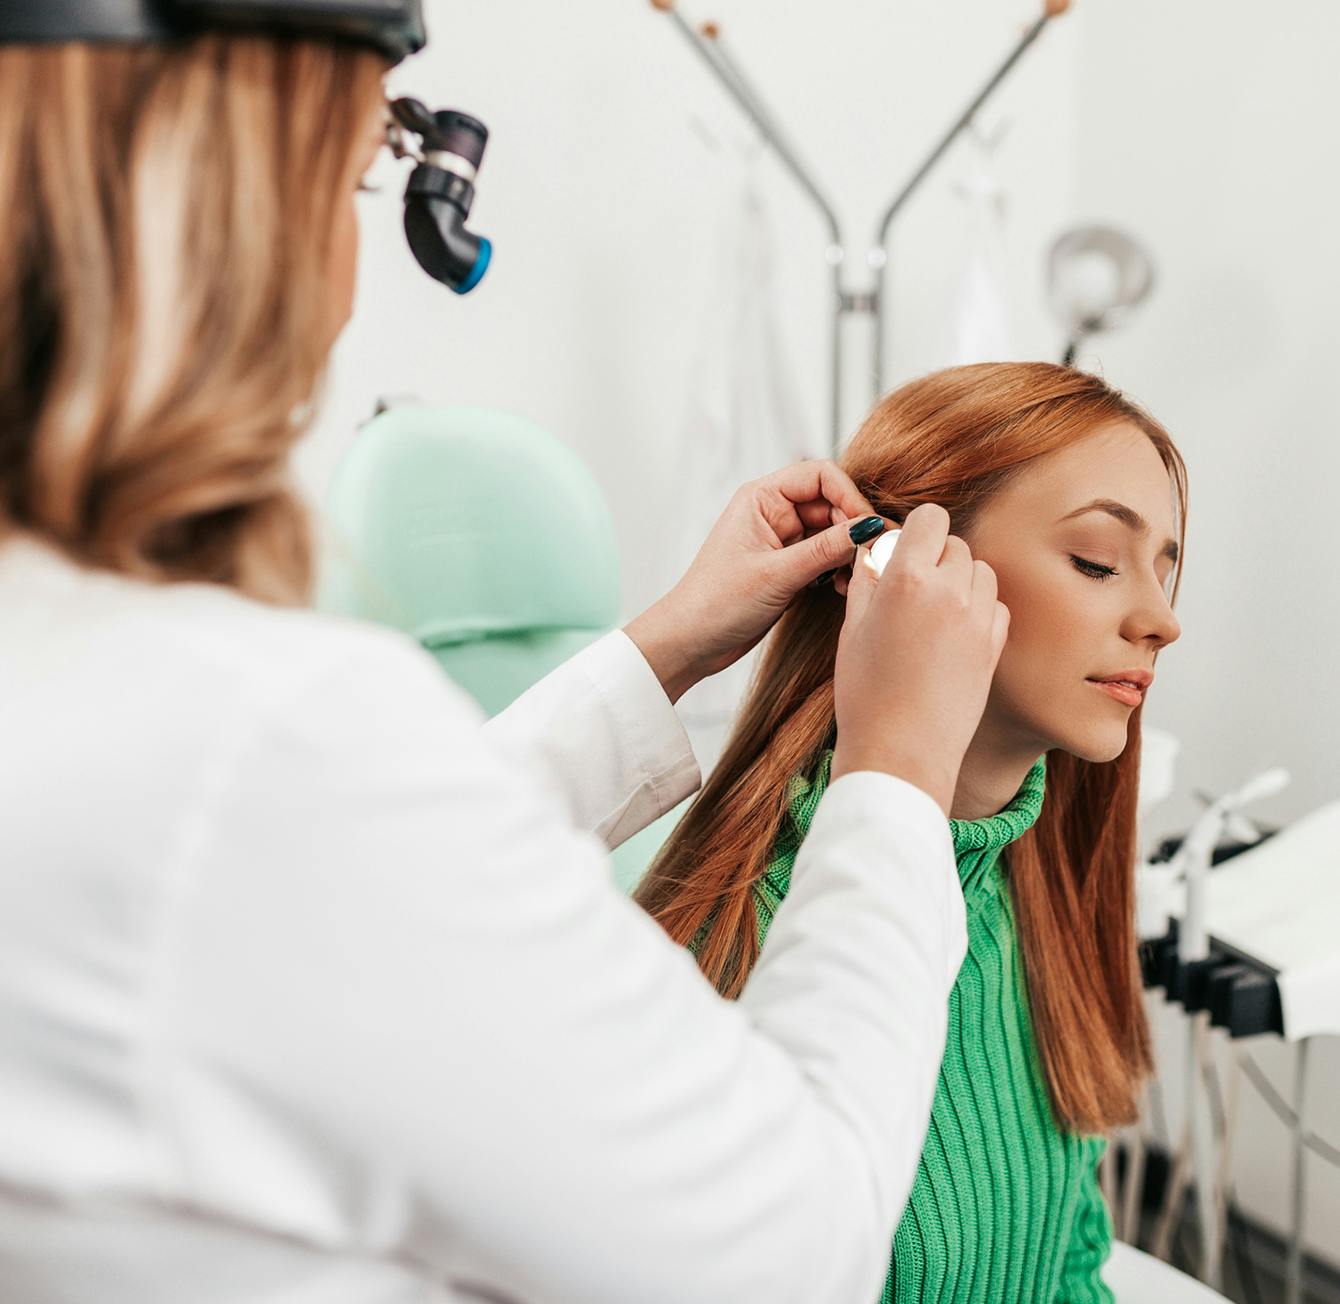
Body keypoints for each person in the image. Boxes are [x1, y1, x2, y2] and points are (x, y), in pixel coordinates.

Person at [0, 21, 1011, 1304]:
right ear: (226, 188)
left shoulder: (107, 695)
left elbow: (322, 897)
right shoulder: (253, 742)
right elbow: (790, 1249)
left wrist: (664, 648)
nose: (351, 273)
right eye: (364, 175)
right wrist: (896, 775)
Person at [637, 362, 1187, 1304]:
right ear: (903, 575)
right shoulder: (730, 953)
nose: (1162, 622)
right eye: (1097, 561)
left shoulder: (1041, 903)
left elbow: (1067, 1262)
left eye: (1167, 569)